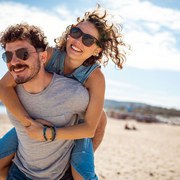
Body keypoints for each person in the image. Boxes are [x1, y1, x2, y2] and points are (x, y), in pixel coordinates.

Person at [0, 4, 130, 179]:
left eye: (88, 40)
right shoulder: (50, 55)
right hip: (38, 119)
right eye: (76, 33)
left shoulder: (95, 77)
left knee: (81, 171)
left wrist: (48, 134)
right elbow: (3, 85)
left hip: (75, 127)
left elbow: (92, 127)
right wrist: (29, 122)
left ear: (98, 49)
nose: (77, 41)